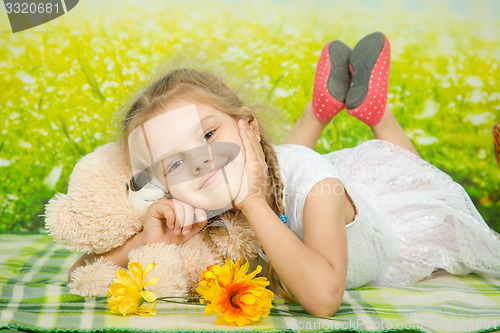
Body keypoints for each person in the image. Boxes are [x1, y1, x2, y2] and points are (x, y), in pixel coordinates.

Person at [69, 32, 500, 317]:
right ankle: (321, 108)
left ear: (247, 124)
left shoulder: (318, 182)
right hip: (283, 170)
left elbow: (324, 298)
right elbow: (81, 273)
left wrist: (252, 201)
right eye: (176, 162)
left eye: (209, 133)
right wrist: (147, 240)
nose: (200, 161)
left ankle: (376, 115)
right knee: (275, 161)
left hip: (389, 228)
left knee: (415, 177)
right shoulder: (194, 201)